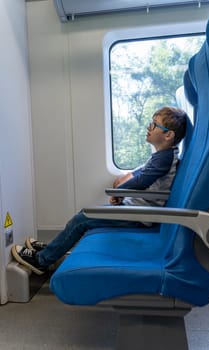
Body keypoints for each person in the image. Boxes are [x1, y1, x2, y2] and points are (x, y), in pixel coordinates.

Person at [11, 106, 187, 275]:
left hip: (140, 217)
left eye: (154, 125)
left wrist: (119, 193)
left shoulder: (164, 158)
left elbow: (142, 181)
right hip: (135, 209)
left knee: (81, 220)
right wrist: (122, 193)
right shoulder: (162, 155)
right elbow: (140, 175)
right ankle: (51, 249)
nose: (149, 127)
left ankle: (42, 260)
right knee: (83, 216)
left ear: (168, 135)